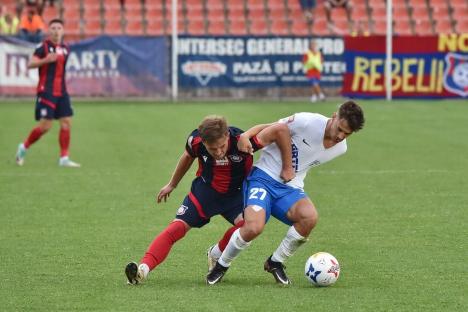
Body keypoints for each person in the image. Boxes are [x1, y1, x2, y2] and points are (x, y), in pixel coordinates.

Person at [206, 100, 365, 285]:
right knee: (253, 228)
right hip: (263, 178)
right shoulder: (307, 121)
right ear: (335, 116)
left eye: (347, 133)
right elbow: (275, 127)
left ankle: (275, 262)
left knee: (309, 218)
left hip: (290, 188)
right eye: (340, 128)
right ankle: (221, 265)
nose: (340, 136)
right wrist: (247, 134)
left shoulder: (341, 148)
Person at [125, 116, 294, 285]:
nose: (219, 152)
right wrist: (172, 184)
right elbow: (187, 157)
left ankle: (216, 253)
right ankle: (142, 270)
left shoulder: (242, 141)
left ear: (227, 136)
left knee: (248, 227)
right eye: (213, 149)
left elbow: (277, 128)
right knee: (176, 228)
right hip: (205, 193)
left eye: (222, 146)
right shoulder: (196, 141)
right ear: (204, 142)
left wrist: (248, 134)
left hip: (236, 196)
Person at [15, 19, 80, 168]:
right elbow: (30, 64)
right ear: (48, 31)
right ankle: (23, 147)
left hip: (62, 91)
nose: (56, 30)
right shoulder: (43, 47)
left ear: (63, 31)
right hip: (47, 91)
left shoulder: (66, 48)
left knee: (66, 122)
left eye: (59, 28)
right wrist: (45, 60)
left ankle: (64, 158)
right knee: (46, 126)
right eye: (53, 28)